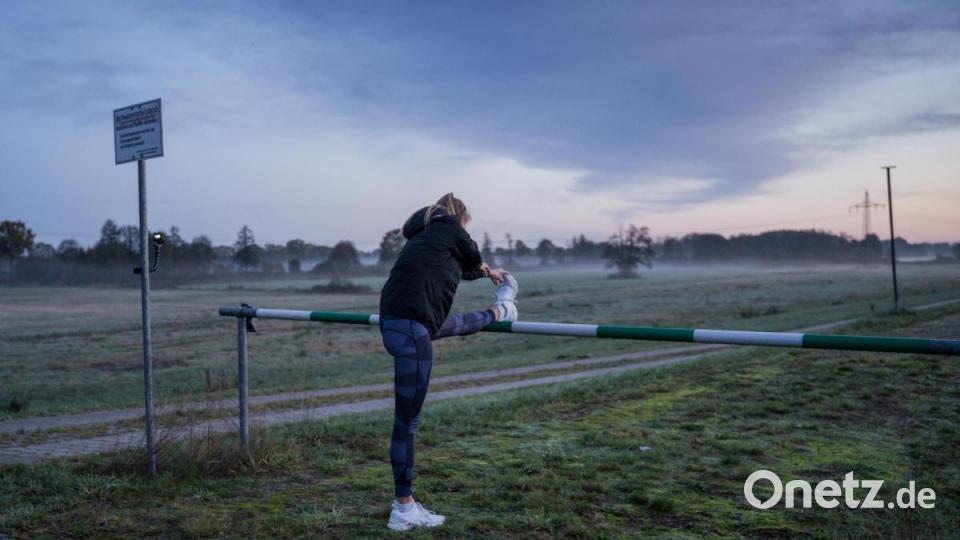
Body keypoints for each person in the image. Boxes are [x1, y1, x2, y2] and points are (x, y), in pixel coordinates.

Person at [379, 193, 518, 531]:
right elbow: (472, 254)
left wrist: (487, 273)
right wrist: (486, 266)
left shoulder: (425, 237)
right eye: (465, 225)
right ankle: (403, 508)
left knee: (448, 326)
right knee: (406, 424)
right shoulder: (449, 225)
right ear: (460, 218)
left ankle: (501, 310)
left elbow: (466, 266)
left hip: (400, 321)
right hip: (413, 330)